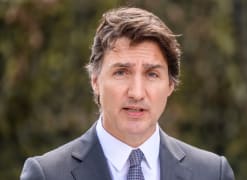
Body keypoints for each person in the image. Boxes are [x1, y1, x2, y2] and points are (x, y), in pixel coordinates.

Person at [20, 7, 235, 180]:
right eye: (121, 72)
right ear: (95, 80)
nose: (137, 93)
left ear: (170, 85)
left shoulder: (212, 173)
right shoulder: (46, 174)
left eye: (152, 74)